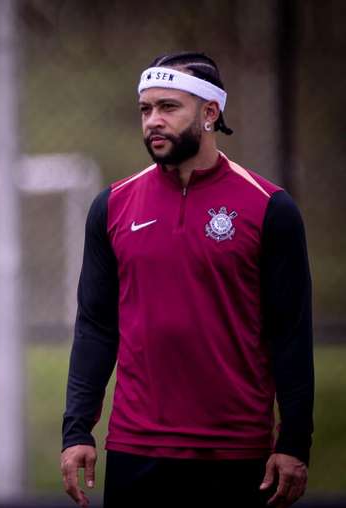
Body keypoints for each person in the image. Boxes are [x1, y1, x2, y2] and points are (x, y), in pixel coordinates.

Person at [60, 52, 313, 508]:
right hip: (136, 449)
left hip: (236, 452)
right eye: (145, 109)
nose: (153, 121)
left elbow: (290, 334)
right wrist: (76, 430)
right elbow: (96, 326)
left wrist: (294, 440)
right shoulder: (112, 206)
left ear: (210, 112)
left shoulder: (269, 208)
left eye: (168, 107)